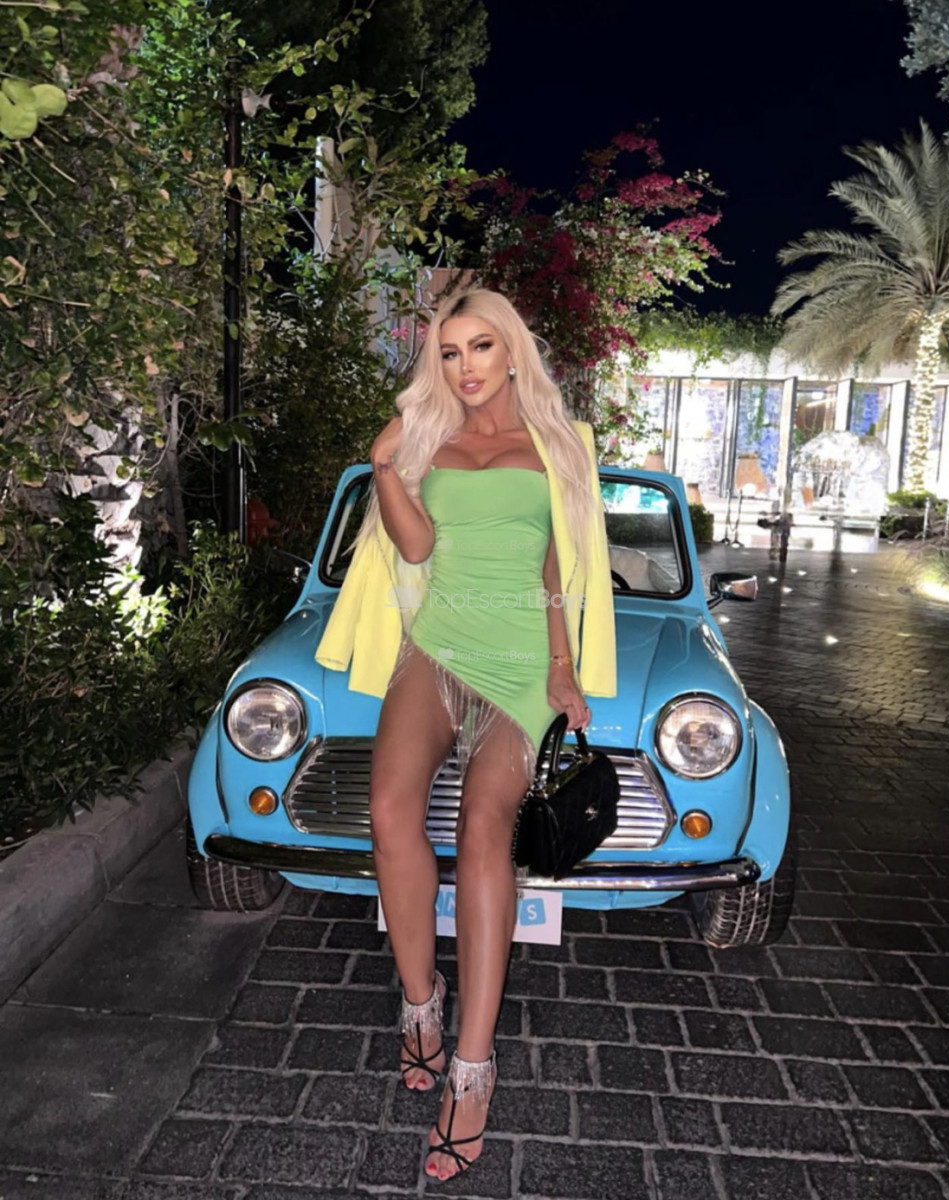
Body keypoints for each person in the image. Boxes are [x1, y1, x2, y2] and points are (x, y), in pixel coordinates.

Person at [314, 288, 617, 1181]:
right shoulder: (428, 439)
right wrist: (385, 465)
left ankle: (473, 1067)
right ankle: (421, 1001)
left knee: (484, 827)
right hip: (438, 644)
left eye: (481, 346)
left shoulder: (559, 444)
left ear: (511, 351)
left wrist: (562, 666)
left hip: (521, 660)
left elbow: (561, 561)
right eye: (449, 352)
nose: (466, 366)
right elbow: (412, 549)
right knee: (386, 811)